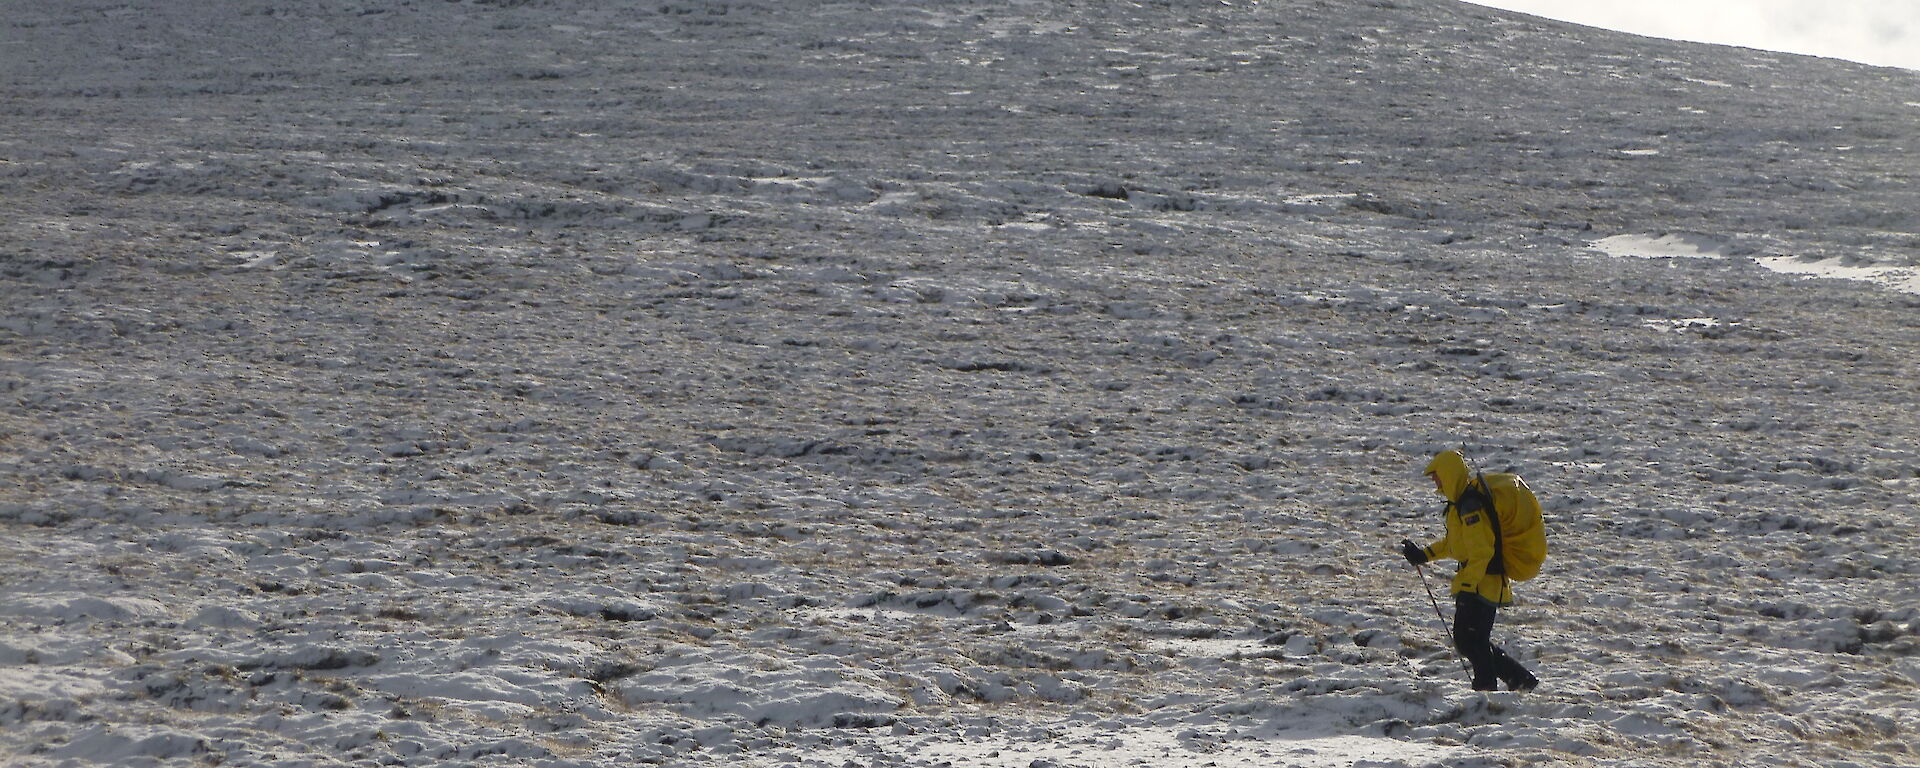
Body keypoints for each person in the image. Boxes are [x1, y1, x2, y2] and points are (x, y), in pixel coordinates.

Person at [1399, 450, 1540, 691]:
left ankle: (1487, 687)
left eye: (1436, 476)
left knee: (1472, 640)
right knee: (1469, 640)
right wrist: (1424, 555)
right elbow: (1457, 544)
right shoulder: (1460, 505)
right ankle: (1519, 679)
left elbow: (1482, 551)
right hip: (1480, 581)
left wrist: (1468, 585)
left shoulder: (1469, 507)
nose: (1435, 482)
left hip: (1484, 582)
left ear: (1448, 474)